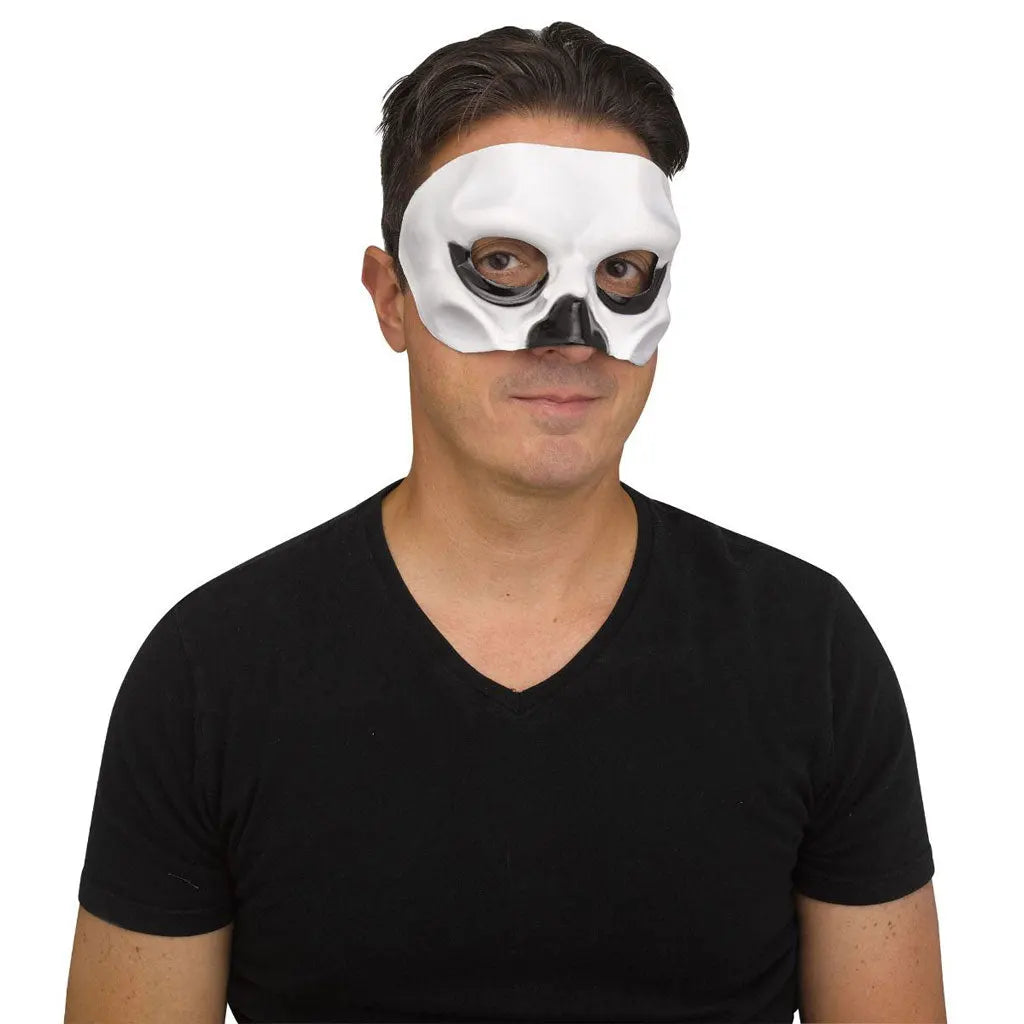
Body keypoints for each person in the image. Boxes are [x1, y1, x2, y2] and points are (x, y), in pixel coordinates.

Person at [64, 21, 947, 1024]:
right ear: (391, 298)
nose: (572, 335)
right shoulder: (211, 673)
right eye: (503, 261)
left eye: (622, 271)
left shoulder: (809, 650)